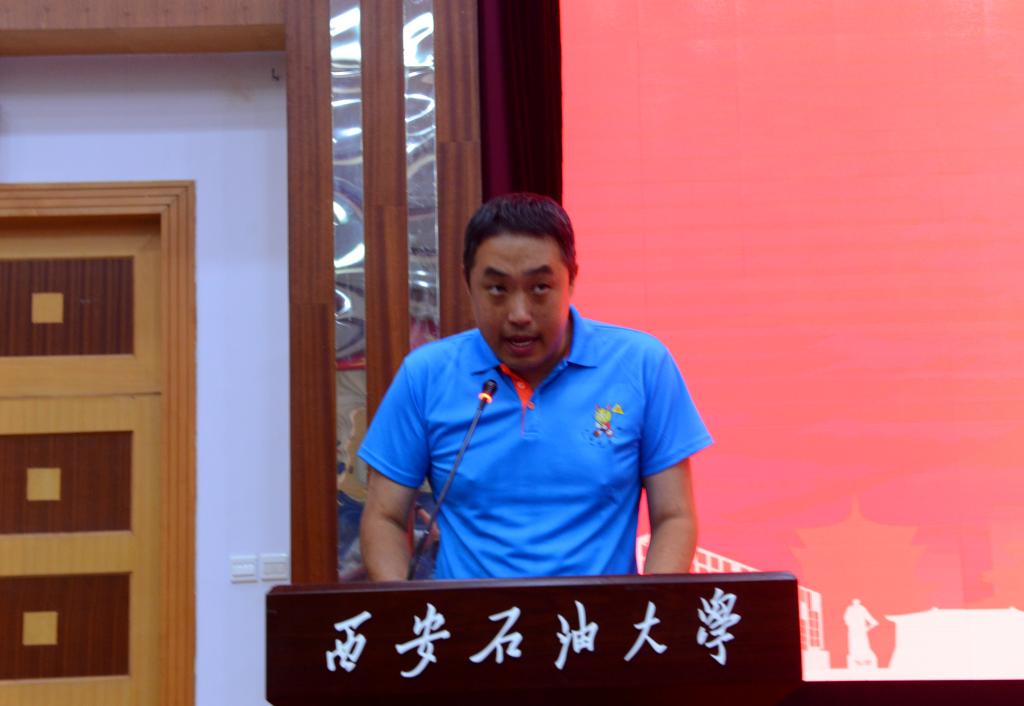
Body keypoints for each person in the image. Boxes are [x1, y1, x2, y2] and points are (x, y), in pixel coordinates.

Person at [358, 193, 712, 580]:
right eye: (497, 289)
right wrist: (403, 608)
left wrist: (650, 605)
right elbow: (385, 516)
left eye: (540, 287)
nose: (519, 314)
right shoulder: (425, 375)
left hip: (598, 617)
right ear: (468, 283)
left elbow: (674, 516)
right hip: (471, 619)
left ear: (571, 279)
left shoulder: (642, 365)